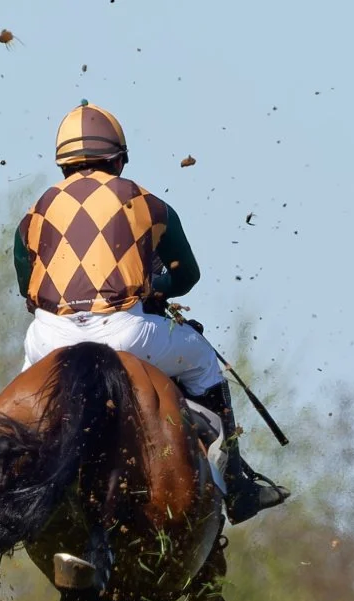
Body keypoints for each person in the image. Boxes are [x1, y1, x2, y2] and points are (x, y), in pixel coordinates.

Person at [15, 102, 288, 524]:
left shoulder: (35, 211)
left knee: (22, 402)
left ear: (63, 164)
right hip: (124, 332)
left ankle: (13, 481)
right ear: (119, 159)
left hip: (49, 336)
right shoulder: (147, 201)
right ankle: (236, 481)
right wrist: (152, 287)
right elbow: (186, 277)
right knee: (202, 361)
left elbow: (26, 289)